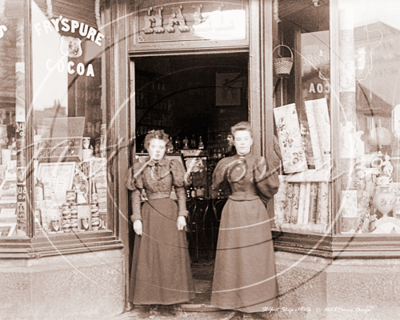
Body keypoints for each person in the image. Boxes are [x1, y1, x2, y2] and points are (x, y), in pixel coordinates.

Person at [211, 121, 280, 320]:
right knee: (232, 259)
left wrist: (256, 200)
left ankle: (256, 306)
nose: (242, 143)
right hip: (232, 212)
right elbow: (218, 186)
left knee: (254, 258)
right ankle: (233, 305)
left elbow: (270, 188)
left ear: (251, 141)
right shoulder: (226, 162)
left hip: (254, 212)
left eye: (245, 139)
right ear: (233, 141)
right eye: (238, 139)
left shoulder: (259, 161)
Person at [125, 130, 194, 317]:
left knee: (171, 257)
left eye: (161, 147)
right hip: (149, 215)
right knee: (151, 258)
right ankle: (152, 303)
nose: (157, 150)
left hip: (170, 215)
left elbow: (180, 191)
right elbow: (135, 194)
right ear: (147, 148)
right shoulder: (138, 167)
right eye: (153, 146)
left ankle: (174, 303)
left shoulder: (174, 164)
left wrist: (182, 214)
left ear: (166, 148)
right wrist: (136, 218)